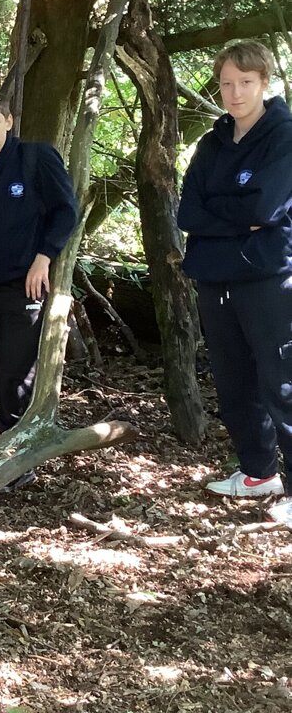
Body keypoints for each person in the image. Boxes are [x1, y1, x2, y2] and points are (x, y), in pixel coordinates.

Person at [176, 40, 292, 525]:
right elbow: (187, 212)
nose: (235, 92)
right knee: (232, 379)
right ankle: (258, 471)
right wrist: (235, 213)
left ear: (265, 83)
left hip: (268, 276)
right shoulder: (212, 142)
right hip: (215, 277)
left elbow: (264, 208)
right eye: (226, 83)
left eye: (245, 82)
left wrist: (220, 212)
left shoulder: (284, 136)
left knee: (280, 380)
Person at [0, 91, 77, 471]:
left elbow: (65, 211)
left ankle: (19, 458)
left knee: (15, 373)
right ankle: (9, 440)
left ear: (9, 121)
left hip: (24, 284)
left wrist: (44, 257)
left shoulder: (35, 158)